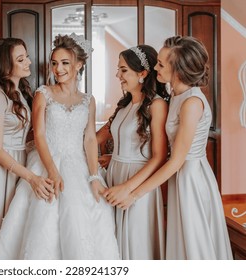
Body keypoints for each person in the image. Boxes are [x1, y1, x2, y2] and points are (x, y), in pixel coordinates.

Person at [0, 33, 119, 260]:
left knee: (86, 218)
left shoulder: (88, 100)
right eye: (55, 63)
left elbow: (89, 138)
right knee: (44, 222)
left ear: (79, 64)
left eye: (65, 63)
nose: (58, 69)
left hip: (79, 164)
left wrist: (94, 176)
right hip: (46, 161)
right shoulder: (43, 93)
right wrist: (52, 170)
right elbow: (39, 135)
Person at [115, 36, 233, 260]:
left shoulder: (191, 103)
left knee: (194, 243)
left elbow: (176, 159)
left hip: (191, 178)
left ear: (177, 69)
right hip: (179, 176)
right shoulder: (176, 96)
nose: (155, 67)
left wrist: (134, 194)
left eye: (160, 64)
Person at [0, 38, 53, 260]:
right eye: (21, 59)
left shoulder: (21, 93)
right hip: (0, 169)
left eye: (26, 56)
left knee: (13, 231)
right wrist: (32, 178)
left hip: (20, 163)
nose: (28, 61)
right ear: (6, 66)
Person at [96, 45, 168, 260]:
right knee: (114, 243)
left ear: (142, 74)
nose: (118, 75)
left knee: (137, 246)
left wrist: (127, 189)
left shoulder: (156, 105)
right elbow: (97, 137)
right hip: (114, 175)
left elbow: (159, 156)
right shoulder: (124, 104)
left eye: (123, 70)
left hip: (137, 182)